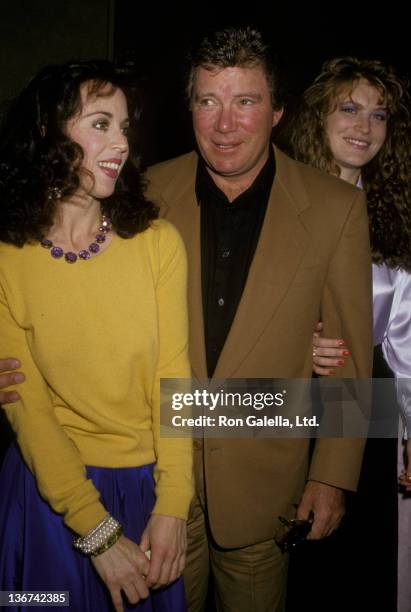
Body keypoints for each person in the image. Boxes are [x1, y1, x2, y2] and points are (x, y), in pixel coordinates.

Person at [0, 29, 373, 612]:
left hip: (260, 486)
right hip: (150, 485)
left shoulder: (337, 208)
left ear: (276, 111)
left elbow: (353, 350)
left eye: (244, 102)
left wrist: (333, 476)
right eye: (207, 101)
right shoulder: (138, 194)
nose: (224, 124)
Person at [0, 60, 193, 612]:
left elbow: (174, 382)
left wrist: (174, 504)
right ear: (48, 134)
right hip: (48, 498)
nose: (121, 143)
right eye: (101, 123)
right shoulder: (8, 260)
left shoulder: (157, 243)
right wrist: (97, 533)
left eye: (126, 127)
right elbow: (29, 410)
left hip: (146, 494)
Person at [290, 56, 411, 611]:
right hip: (283, 402)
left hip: (368, 404)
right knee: (294, 561)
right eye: (349, 108)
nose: (365, 126)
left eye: (379, 114)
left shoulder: (392, 214)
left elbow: (403, 339)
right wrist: (294, 346)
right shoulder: (279, 200)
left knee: (361, 562)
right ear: (319, 117)